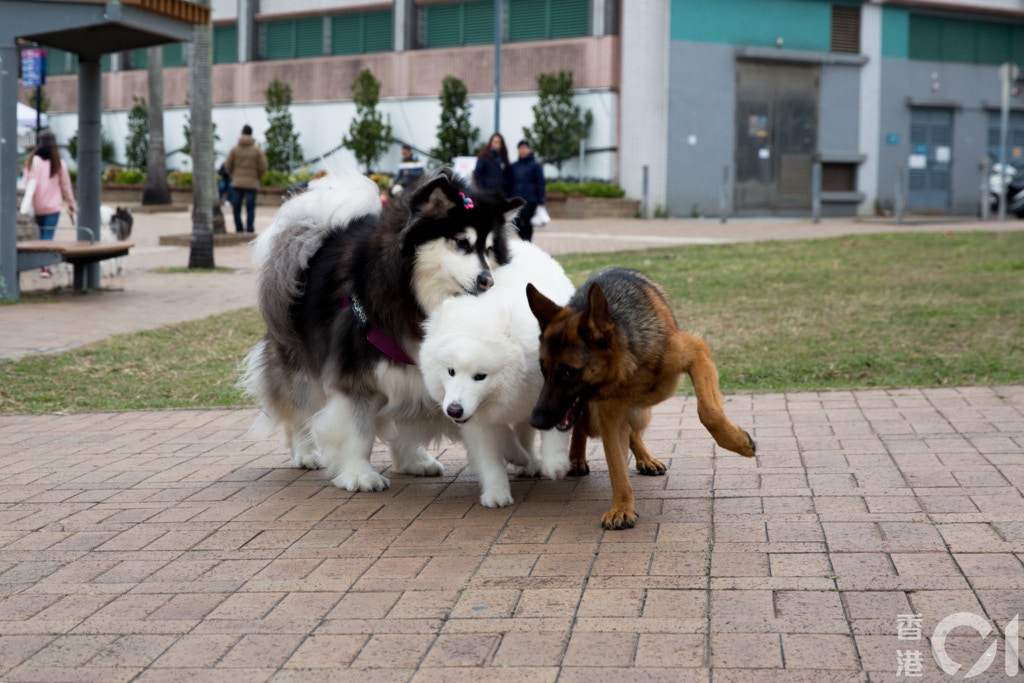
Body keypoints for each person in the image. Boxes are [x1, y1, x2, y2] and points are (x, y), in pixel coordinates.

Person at [22, 131, 77, 277]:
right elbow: (66, 186)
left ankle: (42, 265)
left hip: (36, 206)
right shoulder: (59, 163)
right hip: (53, 207)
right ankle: (44, 266)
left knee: (41, 234)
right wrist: (71, 203)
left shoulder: (31, 162)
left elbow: (26, 183)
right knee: (48, 236)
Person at [223, 124, 268, 233]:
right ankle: (249, 229)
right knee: (250, 208)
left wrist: (232, 173)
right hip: (251, 183)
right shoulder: (257, 150)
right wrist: (258, 176)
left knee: (236, 208)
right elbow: (264, 165)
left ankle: (239, 229)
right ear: (251, 133)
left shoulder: (234, 149)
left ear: (242, 133)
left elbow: (227, 165)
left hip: (237, 182)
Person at [510, 139, 546, 241]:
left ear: (529, 149)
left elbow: (540, 183)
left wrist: (541, 200)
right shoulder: (514, 166)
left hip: (530, 199)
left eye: (525, 148)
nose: (523, 150)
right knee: (514, 222)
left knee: (527, 222)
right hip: (516, 199)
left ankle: (528, 241)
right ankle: (525, 240)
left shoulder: (535, 166)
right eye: (520, 148)